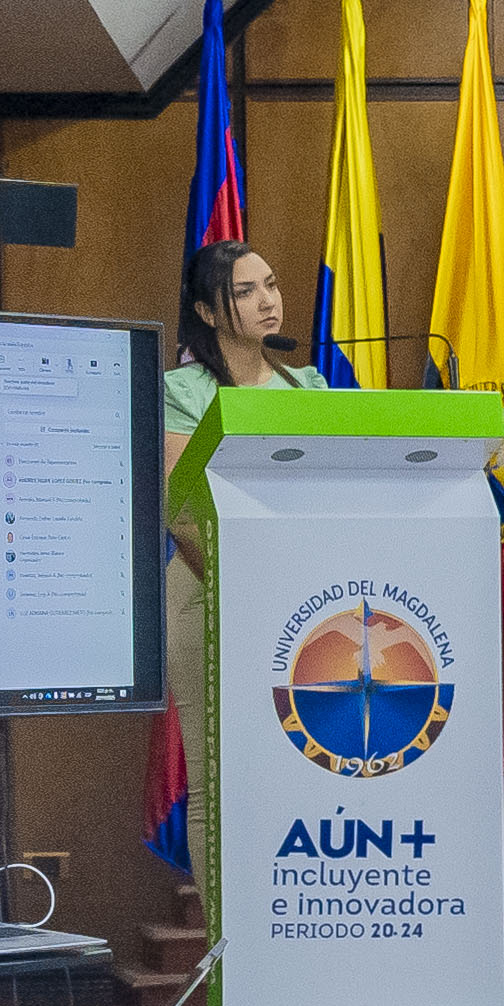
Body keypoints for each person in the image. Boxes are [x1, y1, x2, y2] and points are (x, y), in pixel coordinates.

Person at [159, 241, 332, 781]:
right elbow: (180, 504)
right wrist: (249, 586)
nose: (266, 300)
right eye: (244, 291)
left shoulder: (309, 386)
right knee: (219, 778)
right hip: (206, 589)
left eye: (272, 285)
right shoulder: (181, 390)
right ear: (207, 313)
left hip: (306, 592)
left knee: (301, 766)